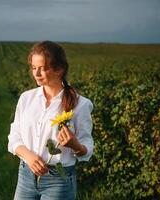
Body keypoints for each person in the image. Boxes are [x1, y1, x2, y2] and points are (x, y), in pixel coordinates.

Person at [8, 41, 94, 200]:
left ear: (59, 69)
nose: (37, 73)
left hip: (59, 180)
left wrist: (74, 145)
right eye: (34, 68)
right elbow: (14, 137)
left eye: (43, 68)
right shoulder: (26, 98)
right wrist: (29, 157)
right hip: (26, 174)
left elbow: (87, 148)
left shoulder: (81, 104)